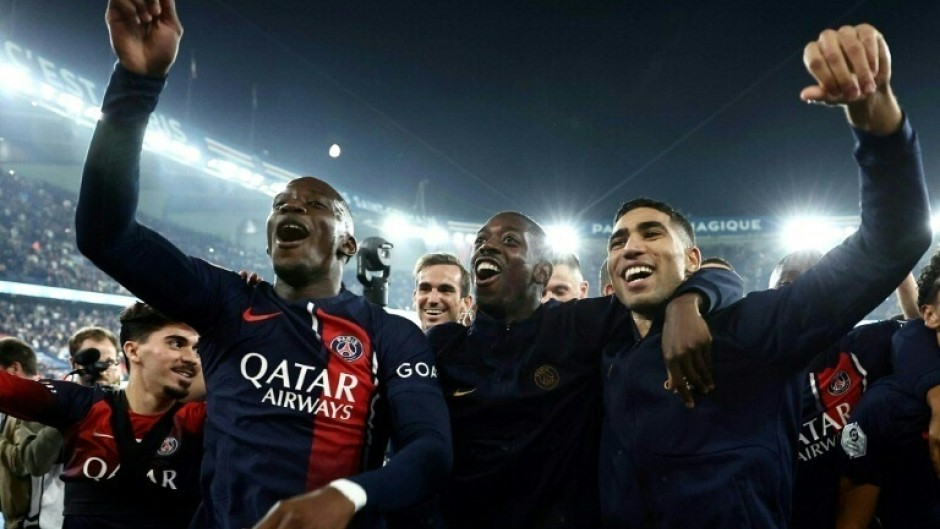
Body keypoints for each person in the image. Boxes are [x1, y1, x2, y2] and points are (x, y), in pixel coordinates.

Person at [76, 2, 451, 528]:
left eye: (316, 205)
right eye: (280, 205)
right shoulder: (226, 302)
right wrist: (136, 86)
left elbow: (431, 451)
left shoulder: (390, 336)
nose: (291, 208)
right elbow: (105, 237)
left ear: (347, 245)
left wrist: (347, 495)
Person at [598, 24, 931, 528]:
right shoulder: (600, 339)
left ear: (693, 261)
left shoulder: (755, 328)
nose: (631, 247)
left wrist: (876, 118)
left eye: (651, 234)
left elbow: (894, 238)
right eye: (618, 241)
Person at [426, 210, 743, 528]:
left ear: (541, 273)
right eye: (481, 240)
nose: (487, 247)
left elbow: (718, 279)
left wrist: (687, 302)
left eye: (509, 240)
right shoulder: (442, 346)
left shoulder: (577, 326)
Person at [0, 303, 205, 529]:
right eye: (176, 343)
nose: (192, 358)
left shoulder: (199, 419)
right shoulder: (82, 405)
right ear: (133, 350)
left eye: (196, 349)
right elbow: (8, 389)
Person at [771, 251, 916, 529]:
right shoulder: (752, 372)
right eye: (788, 286)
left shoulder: (868, 344)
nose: (802, 295)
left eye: (817, 282)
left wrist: (899, 264)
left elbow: (921, 329)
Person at [0, 338, 62, 529]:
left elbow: (24, 463)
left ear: (13, 369)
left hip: (27, 520)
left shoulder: (30, 402)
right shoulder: (21, 402)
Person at [412, 253, 473, 331]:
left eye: (445, 290)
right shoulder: (397, 341)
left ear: (466, 303)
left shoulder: (478, 343)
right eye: (425, 289)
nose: (432, 300)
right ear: (415, 297)